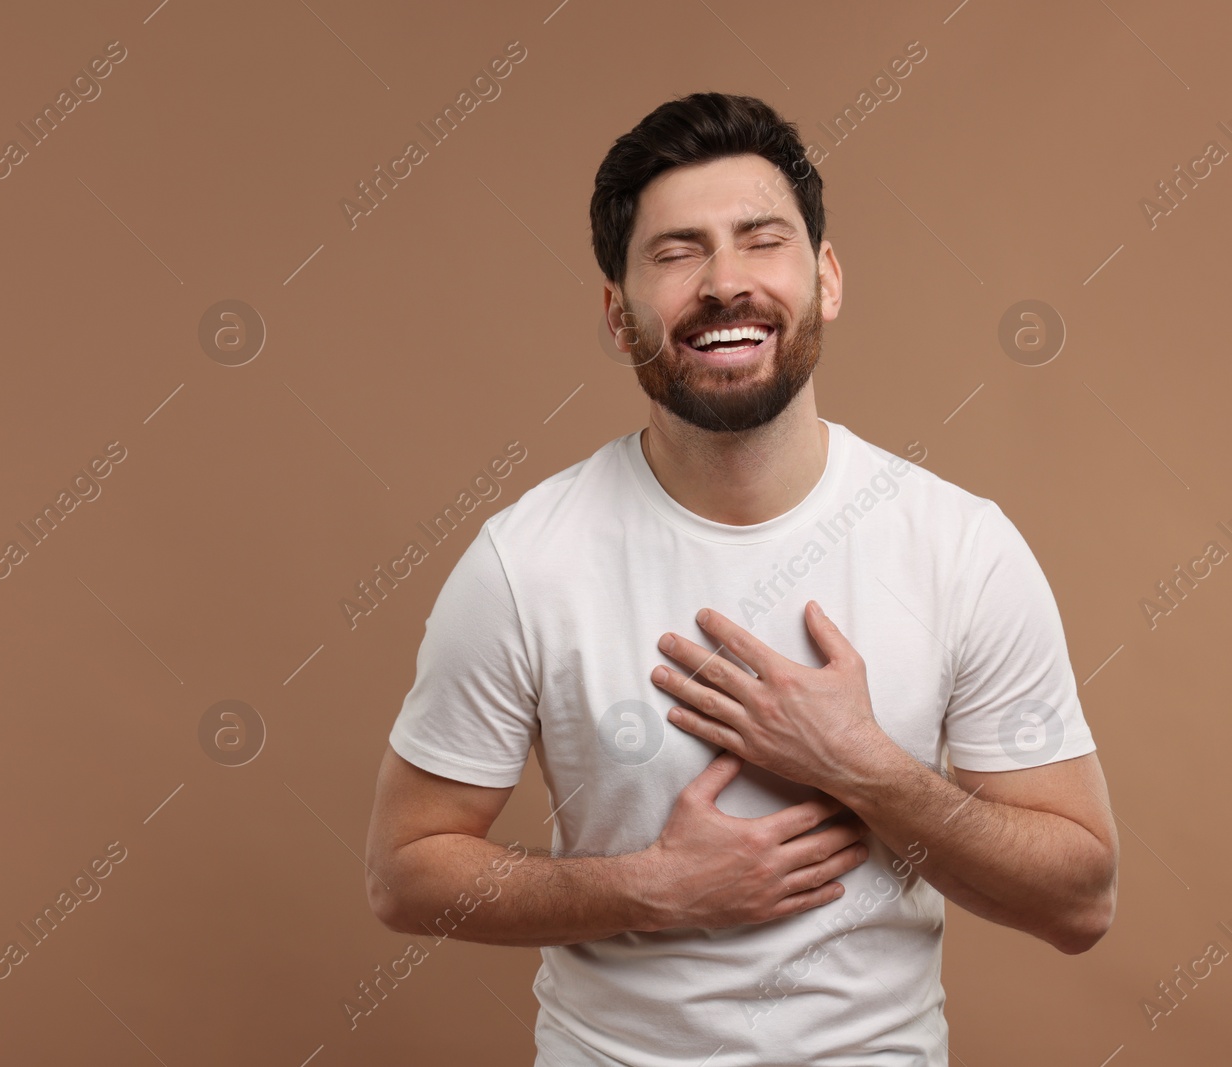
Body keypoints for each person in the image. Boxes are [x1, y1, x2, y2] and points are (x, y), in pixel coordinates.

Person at [363, 92, 1119, 1066]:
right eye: (676, 253)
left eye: (760, 241)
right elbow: (404, 873)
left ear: (826, 278)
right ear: (616, 310)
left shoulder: (958, 545)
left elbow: (1078, 901)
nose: (724, 282)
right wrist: (651, 885)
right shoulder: (525, 561)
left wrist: (864, 765)